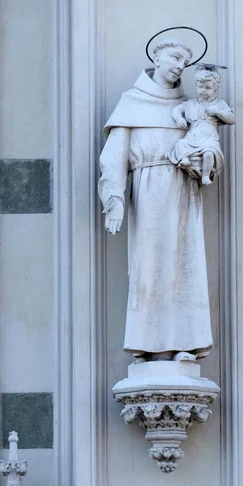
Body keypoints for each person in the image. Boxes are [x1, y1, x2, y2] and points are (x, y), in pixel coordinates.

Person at [98, 39, 213, 362]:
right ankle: (149, 347)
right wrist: (114, 198)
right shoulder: (131, 103)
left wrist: (201, 158)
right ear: (157, 57)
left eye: (185, 61)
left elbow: (209, 146)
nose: (179, 65)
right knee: (150, 266)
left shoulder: (190, 107)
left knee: (184, 268)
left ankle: (185, 345)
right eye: (175, 57)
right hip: (148, 193)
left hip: (183, 192)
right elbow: (114, 157)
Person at [169, 65, 235, 185]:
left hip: (209, 139)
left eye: (207, 87)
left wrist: (218, 112)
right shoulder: (192, 103)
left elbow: (232, 119)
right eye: (200, 87)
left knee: (209, 153)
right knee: (181, 144)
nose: (203, 90)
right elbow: (176, 109)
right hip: (192, 137)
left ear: (215, 88)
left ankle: (205, 176)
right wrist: (179, 118)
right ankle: (184, 159)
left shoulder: (219, 104)